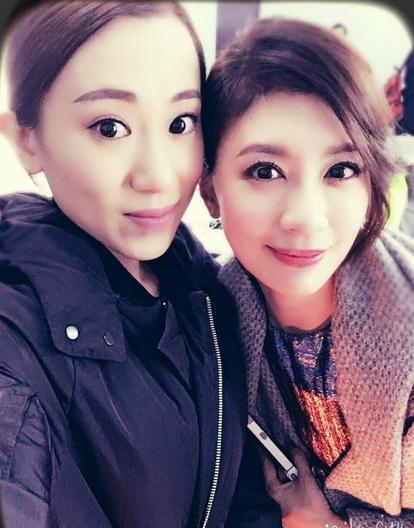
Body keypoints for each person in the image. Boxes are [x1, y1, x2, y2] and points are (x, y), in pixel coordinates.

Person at [0, 1, 250, 526]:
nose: (158, 176)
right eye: (110, 127)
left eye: (181, 122)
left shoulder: (200, 282)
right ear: (26, 139)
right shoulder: (14, 345)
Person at [200, 16, 414, 528]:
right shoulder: (208, 317)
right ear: (210, 190)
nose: (306, 217)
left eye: (340, 170)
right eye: (265, 171)